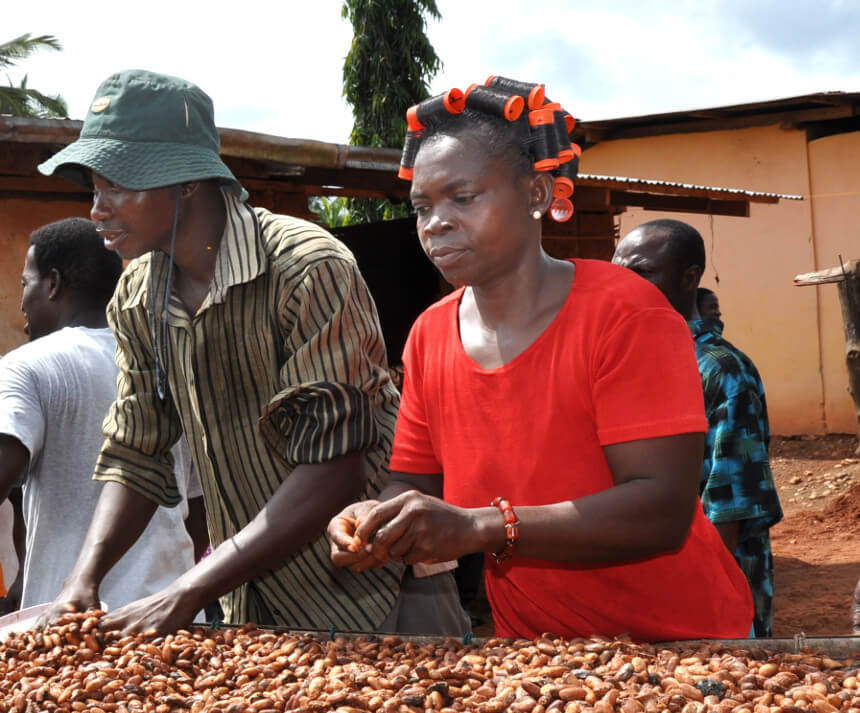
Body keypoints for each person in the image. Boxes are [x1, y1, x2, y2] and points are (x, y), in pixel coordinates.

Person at [37, 69, 465, 636]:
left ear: (184, 182)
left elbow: (334, 465)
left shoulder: (307, 268)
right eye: (94, 189)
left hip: (373, 591)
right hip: (249, 604)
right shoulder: (138, 295)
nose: (98, 209)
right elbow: (137, 451)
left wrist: (190, 586)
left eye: (116, 185)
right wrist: (83, 578)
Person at [328, 79, 753, 642]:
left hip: (681, 643)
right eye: (422, 207)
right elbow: (413, 480)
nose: (436, 223)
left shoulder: (625, 313)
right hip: (534, 651)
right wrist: (374, 518)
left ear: (535, 194)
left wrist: (484, 526)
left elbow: (660, 511)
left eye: (463, 197)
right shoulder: (430, 335)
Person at [0, 217, 204, 612]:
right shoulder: (168, 367)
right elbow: (196, 508)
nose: (21, 300)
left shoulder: (26, 366)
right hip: (168, 617)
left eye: (26, 283)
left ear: (53, 284)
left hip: (67, 623)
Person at [613, 218, 783, 637]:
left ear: (690, 277)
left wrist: (699, 597)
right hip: (638, 583)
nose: (624, 283)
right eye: (617, 270)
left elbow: (730, 503)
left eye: (643, 272)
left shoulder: (721, 371)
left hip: (709, 592)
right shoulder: (622, 358)